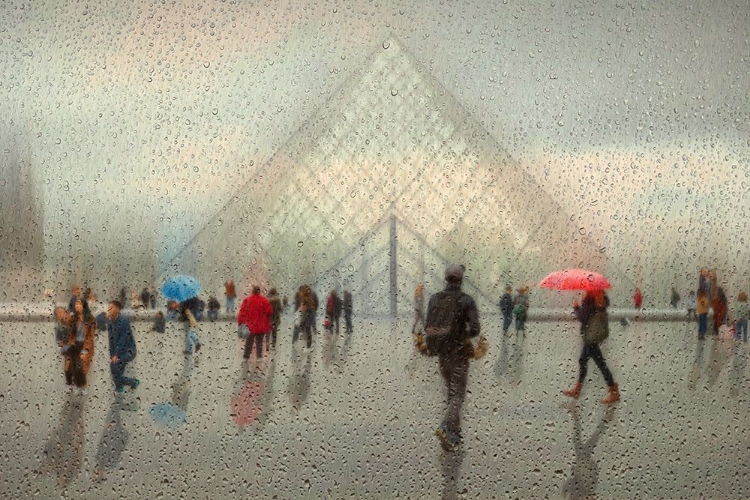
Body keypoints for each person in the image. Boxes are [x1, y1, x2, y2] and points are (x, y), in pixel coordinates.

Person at [424, 264, 480, 450]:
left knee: (450, 392)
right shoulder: (467, 300)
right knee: (458, 395)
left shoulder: (434, 299)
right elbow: (475, 329)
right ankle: (445, 427)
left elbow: (428, 325)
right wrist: (462, 333)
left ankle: (453, 435)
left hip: (441, 355)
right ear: (461, 279)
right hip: (459, 355)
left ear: (446, 278)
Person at [562, 289, 619, 405]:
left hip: (590, 336)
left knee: (598, 363)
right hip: (593, 335)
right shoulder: (601, 297)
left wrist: (576, 307)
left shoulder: (590, 298)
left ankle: (613, 391)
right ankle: (578, 390)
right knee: (585, 360)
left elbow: (582, 317)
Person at [106, 300, 139, 394]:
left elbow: (122, 339)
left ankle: (119, 388)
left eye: (111, 308)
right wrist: (112, 355)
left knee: (113, 366)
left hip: (129, 351)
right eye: (108, 308)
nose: (109, 310)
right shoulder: (110, 322)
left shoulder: (124, 320)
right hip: (119, 352)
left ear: (117, 309)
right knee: (116, 372)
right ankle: (133, 382)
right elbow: (110, 340)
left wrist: (116, 355)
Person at [67, 298, 96, 395]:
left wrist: (86, 349)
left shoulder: (90, 319)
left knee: (82, 367)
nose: (76, 306)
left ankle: (82, 385)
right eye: (75, 304)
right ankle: (76, 384)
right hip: (75, 344)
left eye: (78, 304)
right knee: (74, 366)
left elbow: (90, 336)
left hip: (85, 345)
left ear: (84, 306)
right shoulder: (74, 318)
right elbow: (69, 330)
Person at [238, 286, 273, 360]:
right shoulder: (264, 300)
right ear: (259, 291)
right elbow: (269, 311)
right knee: (259, 342)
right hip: (261, 325)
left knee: (249, 341)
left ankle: (246, 357)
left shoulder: (247, 300)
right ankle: (259, 356)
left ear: (252, 291)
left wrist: (240, 322)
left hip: (250, 325)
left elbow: (242, 313)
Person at [54, 307, 74, 391]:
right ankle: (69, 383)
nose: (61, 315)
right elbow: (59, 340)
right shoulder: (59, 327)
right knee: (67, 367)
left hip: (76, 344)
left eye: (63, 312)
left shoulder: (73, 321)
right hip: (67, 347)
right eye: (59, 314)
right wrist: (61, 346)